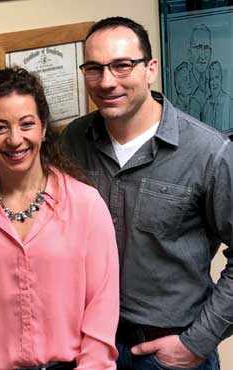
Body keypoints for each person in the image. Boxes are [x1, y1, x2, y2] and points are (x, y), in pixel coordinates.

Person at [62, 16, 233, 370]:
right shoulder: (72, 143)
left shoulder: (208, 152)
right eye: (94, 69)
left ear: (150, 68)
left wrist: (196, 343)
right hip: (89, 347)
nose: (107, 82)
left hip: (169, 352)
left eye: (122, 66)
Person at [0, 67, 119, 370]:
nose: (15, 140)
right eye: (0, 128)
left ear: (43, 128)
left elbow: (102, 313)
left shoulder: (85, 205)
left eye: (26, 124)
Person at [188, 24, 212, 120]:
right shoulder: (184, 84)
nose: (203, 56)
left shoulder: (213, 84)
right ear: (189, 53)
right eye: (198, 48)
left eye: (206, 48)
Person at [202, 61, 233, 134]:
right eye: (211, 79)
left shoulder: (230, 104)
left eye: (216, 77)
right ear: (209, 82)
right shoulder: (206, 107)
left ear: (221, 79)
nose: (214, 82)